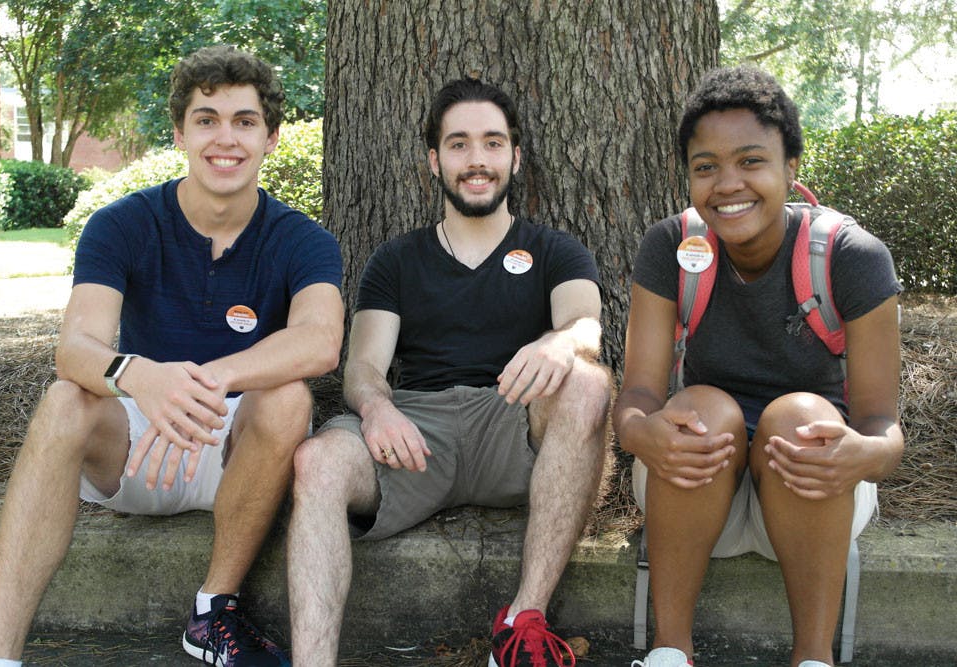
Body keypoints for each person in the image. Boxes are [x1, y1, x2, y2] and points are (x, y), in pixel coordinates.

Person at [0, 45, 344, 667]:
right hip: (139, 442)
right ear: (180, 133)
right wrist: (139, 375)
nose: (225, 139)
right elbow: (76, 348)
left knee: (287, 397)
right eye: (206, 119)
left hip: (241, 452)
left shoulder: (303, 239)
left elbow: (320, 341)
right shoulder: (121, 224)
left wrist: (210, 379)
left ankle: (213, 611)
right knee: (67, 399)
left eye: (244, 121)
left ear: (272, 138)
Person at [286, 77, 611, 667]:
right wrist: (378, 407)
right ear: (434, 161)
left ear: (515, 155)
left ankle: (521, 625)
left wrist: (560, 344)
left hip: (509, 424)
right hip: (414, 435)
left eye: (492, 142)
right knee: (317, 462)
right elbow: (363, 365)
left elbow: (587, 324)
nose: (477, 159)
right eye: (459, 144)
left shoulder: (555, 250)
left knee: (588, 380)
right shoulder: (396, 259)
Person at [614, 65, 904, 667]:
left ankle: (813, 657)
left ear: (791, 167)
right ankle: (670, 653)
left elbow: (881, 424)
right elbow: (639, 392)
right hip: (696, 489)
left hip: (809, 498)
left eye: (751, 161)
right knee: (699, 412)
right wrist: (644, 434)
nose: (728, 184)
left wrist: (863, 454)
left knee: (802, 418)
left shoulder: (851, 257)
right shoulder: (669, 247)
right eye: (705, 167)